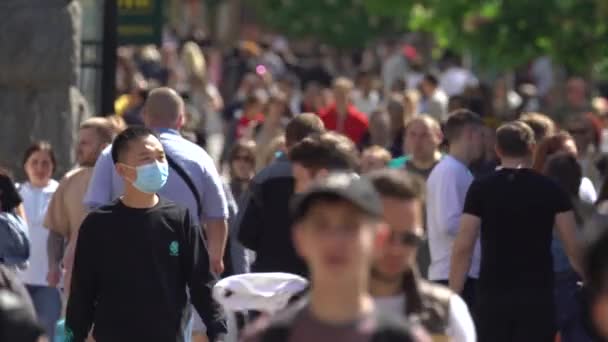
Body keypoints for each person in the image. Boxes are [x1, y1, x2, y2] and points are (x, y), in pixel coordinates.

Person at [83, 88, 229, 340]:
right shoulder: (199, 158)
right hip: (178, 271)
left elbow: (93, 214)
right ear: (181, 119)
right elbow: (217, 217)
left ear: (144, 116)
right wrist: (214, 259)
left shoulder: (113, 154)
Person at [241, 173, 429, 342]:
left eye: (350, 226)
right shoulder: (264, 337)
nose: (335, 240)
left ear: (378, 240)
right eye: (321, 225)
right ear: (299, 238)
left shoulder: (407, 338)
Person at [449, 121, 584, 342]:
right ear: (532, 148)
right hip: (537, 296)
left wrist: (454, 293)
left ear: (497, 150)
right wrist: (591, 282)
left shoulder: (481, 188)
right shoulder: (550, 189)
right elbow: (573, 246)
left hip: (493, 294)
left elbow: (464, 245)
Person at [368, 169, 476, 342]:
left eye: (409, 239)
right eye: (385, 236)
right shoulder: (321, 310)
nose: (397, 249)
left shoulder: (446, 310)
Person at [237, 113, 325, 277]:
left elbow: (243, 233)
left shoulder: (263, 178)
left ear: (286, 142)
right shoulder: (329, 180)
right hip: (315, 278)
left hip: (270, 277)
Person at [44, 117, 115, 297]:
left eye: (85, 143)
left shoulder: (125, 179)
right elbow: (56, 231)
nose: (78, 148)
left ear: (104, 147)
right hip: (76, 282)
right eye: (78, 142)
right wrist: (53, 265)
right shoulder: (70, 180)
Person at [426, 109, 485, 308]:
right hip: (451, 277)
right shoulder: (449, 171)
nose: (483, 142)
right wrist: (485, 221)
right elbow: (448, 223)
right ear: (470, 134)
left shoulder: (459, 170)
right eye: (481, 135)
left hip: (460, 274)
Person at [543, 152, 594, 341]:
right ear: (578, 180)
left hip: (544, 284)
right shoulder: (588, 212)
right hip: (578, 284)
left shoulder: (537, 209)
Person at [18, 141, 61, 339]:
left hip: (49, 282)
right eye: (34, 162)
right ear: (25, 165)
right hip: (17, 281)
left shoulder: (61, 193)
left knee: (47, 335)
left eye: (45, 163)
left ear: (53, 166)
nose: (39, 168)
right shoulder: (14, 194)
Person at [532, 132, 597, 203]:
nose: (568, 163)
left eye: (572, 158)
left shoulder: (584, 185)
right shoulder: (531, 189)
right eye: (558, 159)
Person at [318, 77, 369, 145]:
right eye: (337, 92)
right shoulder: (322, 117)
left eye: (343, 93)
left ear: (350, 94)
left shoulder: (360, 119)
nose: (340, 96)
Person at [392, 115, 443, 180]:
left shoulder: (450, 168)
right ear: (405, 138)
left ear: (439, 137)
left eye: (425, 135)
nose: (417, 140)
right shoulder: (394, 168)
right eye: (412, 134)